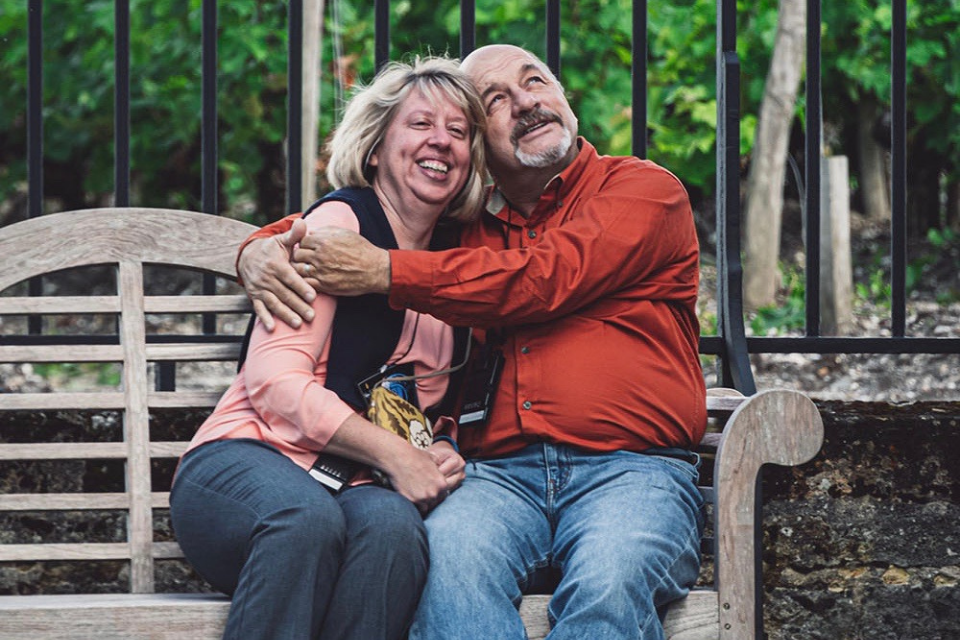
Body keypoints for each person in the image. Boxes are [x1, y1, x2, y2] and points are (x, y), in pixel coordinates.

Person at [239, 45, 707, 640]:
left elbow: (542, 279)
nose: (527, 104)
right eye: (497, 101)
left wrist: (387, 272)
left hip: (631, 471)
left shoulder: (642, 191)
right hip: (497, 477)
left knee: (608, 585)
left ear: (564, 98)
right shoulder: (468, 230)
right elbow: (359, 211)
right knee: (446, 569)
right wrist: (257, 248)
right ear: (478, 143)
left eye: (535, 83)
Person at [170, 56, 487, 640]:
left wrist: (439, 446)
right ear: (374, 148)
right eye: (420, 124)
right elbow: (276, 383)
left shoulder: (455, 264)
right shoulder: (340, 226)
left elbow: (431, 406)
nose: (440, 141)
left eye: (459, 131)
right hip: (247, 464)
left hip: (354, 486)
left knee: (395, 532)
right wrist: (395, 456)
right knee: (303, 521)